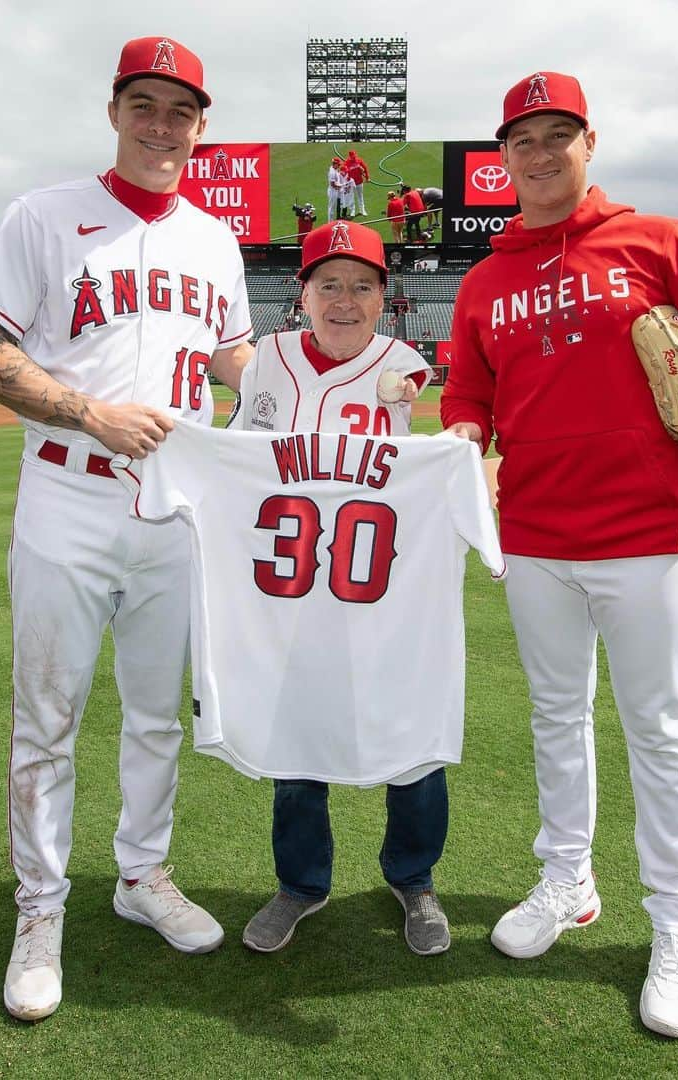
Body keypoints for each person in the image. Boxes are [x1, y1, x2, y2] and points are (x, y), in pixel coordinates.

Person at [441, 70, 678, 1040]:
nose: (540, 154)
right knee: (556, 718)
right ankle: (567, 881)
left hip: (644, 536)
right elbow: (468, 394)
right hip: (536, 540)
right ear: (501, 159)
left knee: (656, 729)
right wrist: (466, 432)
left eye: (559, 134)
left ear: (590, 142)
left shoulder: (658, 241)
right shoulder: (485, 280)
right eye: (522, 140)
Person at [0, 34, 253, 1023]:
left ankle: (141, 877)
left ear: (201, 128)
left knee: (159, 716)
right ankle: (40, 909)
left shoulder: (215, 239)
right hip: (68, 492)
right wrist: (88, 412)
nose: (162, 125)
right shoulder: (43, 216)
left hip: (174, 507)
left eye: (181, 111)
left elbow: (238, 362)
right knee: (49, 718)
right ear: (116, 109)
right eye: (146, 104)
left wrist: (341, 388)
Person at [229, 221, 450, 957]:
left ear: (385, 298)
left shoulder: (403, 364)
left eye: (362, 285)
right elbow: (236, 458)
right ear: (304, 293)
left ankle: (413, 879)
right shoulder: (267, 361)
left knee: (411, 741)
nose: (345, 300)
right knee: (297, 747)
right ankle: (301, 883)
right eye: (329, 284)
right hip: (292, 596)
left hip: (384, 595)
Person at [344, 149, 370, 215]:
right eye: (352, 156)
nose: (354, 157)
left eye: (354, 156)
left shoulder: (359, 160)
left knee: (360, 196)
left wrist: (367, 177)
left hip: (359, 181)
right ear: (349, 156)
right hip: (351, 183)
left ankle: (362, 210)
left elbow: (365, 168)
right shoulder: (346, 163)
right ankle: (352, 211)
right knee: (351, 197)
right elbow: (344, 172)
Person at [327, 157, 346, 222]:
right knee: (332, 207)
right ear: (335, 164)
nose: (339, 166)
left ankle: (331, 221)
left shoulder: (334, 169)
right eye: (338, 164)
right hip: (333, 191)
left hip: (335, 190)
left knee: (333, 207)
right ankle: (330, 222)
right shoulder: (332, 172)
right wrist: (339, 186)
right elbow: (332, 184)